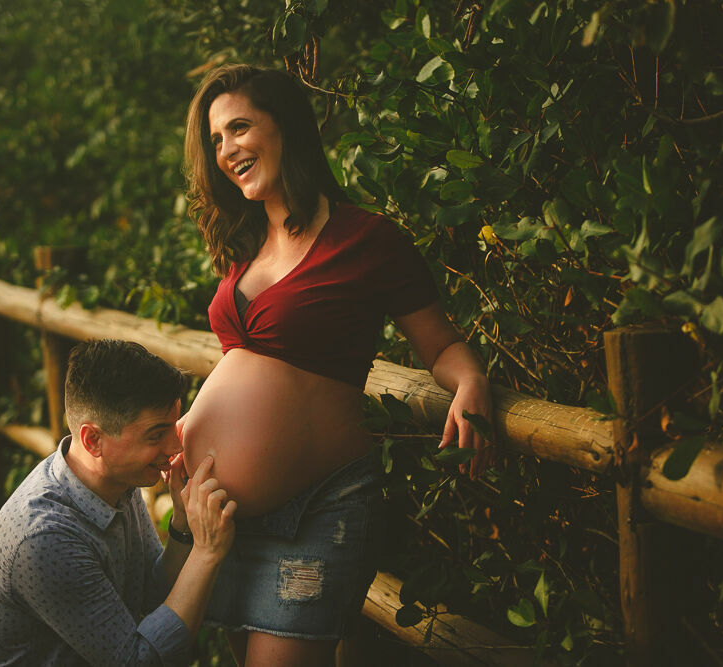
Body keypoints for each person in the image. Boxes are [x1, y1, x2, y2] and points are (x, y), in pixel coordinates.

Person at [179, 65, 494, 666]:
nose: (225, 151)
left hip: (316, 511)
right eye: (215, 140)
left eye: (239, 128)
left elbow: (440, 344)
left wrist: (472, 379)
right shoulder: (241, 246)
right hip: (222, 517)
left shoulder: (367, 240)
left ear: (286, 124)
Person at [0, 339, 236, 666]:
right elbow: (138, 661)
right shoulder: (44, 539)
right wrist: (206, 553)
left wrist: (181, 525)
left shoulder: (116, 483)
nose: (174, 447)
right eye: (156, 435)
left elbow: (151, 599)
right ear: (93, 440)